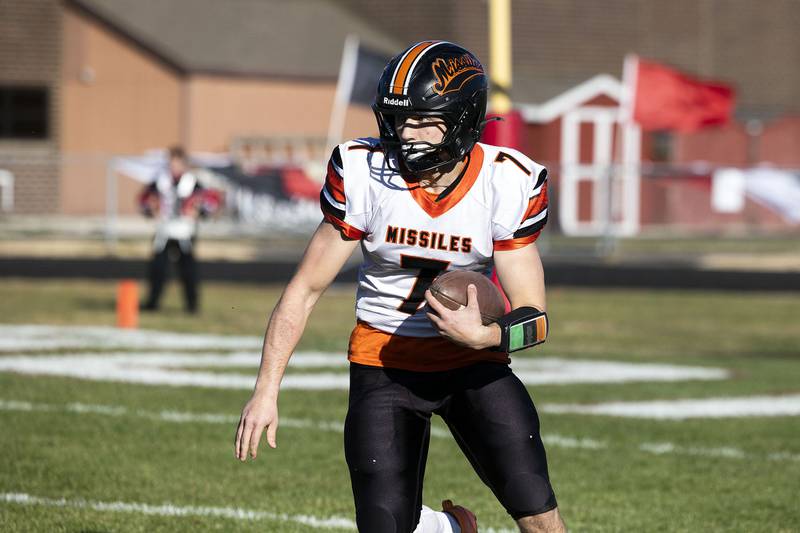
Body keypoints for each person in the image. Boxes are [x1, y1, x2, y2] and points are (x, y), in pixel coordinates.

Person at [235, 41, 565, 533]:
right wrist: (266, 390)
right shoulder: (366, 172)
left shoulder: (504, 181)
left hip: (473, 365)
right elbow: (303, 290)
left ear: (463, 120)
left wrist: (485, 337)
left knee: (538, 516)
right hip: (385, 364)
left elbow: (534, 321)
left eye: (422, 121)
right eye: (398, 121)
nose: (405, 136)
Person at [139, 146, 219, 313]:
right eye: (171, 163)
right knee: (158, 268)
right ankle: (152, 303)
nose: (173, 167)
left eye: (177, 163)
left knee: (188, 270)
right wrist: (150, 210)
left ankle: (192, 305)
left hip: (185, 232)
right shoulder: (159, 181)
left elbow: (211, 202)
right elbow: (144, 200)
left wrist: (199, 212)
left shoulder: (193, 182)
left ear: (184, 164)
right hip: (164, 231)